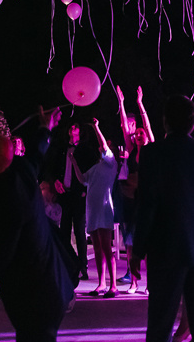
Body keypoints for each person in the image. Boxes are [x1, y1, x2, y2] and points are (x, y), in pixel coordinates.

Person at [0, 107, 77, 342]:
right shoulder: (22, 170)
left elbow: (1, 253)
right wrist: (44, 127)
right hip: (52, 284)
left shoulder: (3, 195)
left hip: (35, 293)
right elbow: (36, 154)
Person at [135, 96, 194, 342]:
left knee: (160, 324)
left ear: (165, 122)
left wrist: (137, 249)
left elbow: (147, 204)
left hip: (167, 249)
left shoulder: (152, 153)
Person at [116, 85, 154, 293]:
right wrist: (121, 103)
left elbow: (147, 126)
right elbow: (124, 125)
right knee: (130, 241)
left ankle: (149, 283)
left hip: (146, 200)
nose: (139, 134)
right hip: (130, 199)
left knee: (146, 240)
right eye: (136, 133)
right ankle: (133, 282)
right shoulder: (130, 151)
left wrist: (140, 104)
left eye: (141, 133)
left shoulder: (151, 150)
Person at [79, 118, 120, 297]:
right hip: (93, 210)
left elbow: (103, 145)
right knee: (96, 247)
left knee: (106, 246)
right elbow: (82, 179)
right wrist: (72, 160)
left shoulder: (111, 164)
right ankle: (101, 283)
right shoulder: (96, 167)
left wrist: (96, 127)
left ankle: (113, 285)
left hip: (104, 208)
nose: (104, 148)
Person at [45, 120, 89, 279]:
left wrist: (84, 190)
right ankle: (64, 263)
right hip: (64, 193)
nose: (73, 128)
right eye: (71, 126)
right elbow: (52, 168)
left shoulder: (84, 149)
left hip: (78, 195)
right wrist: (55, 181)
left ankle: (82, 267)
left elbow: (89, 171)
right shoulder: (62, 149)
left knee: (79, 231)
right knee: (63, 231)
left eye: (76, 126)